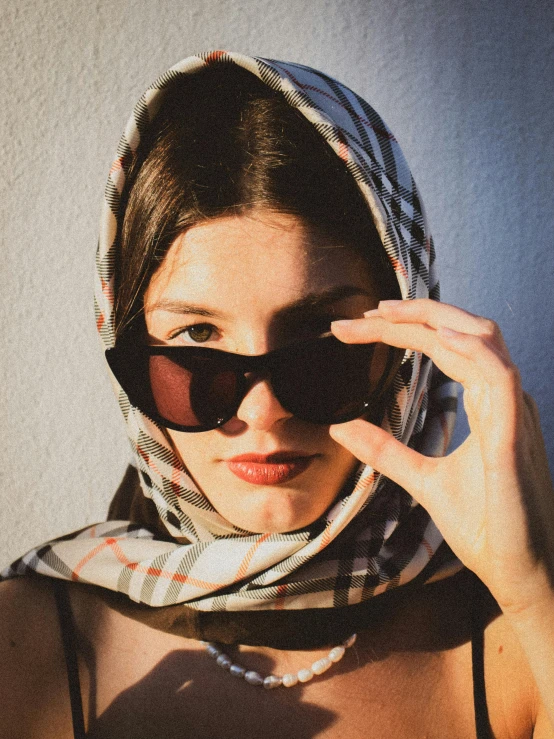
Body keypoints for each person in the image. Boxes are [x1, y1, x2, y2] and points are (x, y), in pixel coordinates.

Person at [1, 51, 553, 739]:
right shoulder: (28, 649)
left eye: (322, 340)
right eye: (198, 340)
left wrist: (535, 591)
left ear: (409, 345)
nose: (263, 413)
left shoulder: (512, 640)